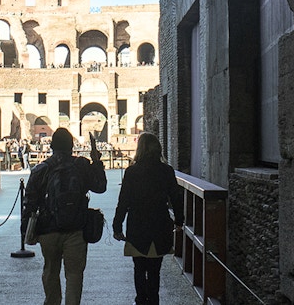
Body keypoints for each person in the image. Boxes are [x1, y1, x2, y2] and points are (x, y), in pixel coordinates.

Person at [22, 128, 107, 305]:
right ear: (71, 146)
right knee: (74, 274)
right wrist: (97, 161)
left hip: (48, 229)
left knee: (51, 271)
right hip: (76, 229)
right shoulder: (82, 166)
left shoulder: (41, 169)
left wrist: (26, 232)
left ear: (52, 147)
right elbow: (100, 186)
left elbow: (29, 202)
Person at [112, 132, 184, 305]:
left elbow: (124, 201)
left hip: (137, 227)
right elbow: (176, 198)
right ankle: (153, 301)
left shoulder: (131, 172)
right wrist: (179, 221)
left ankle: (141, 301)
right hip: (160, 226)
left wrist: (117, 227)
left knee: (139, 269)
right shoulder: (166, 171)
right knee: (154, 271)